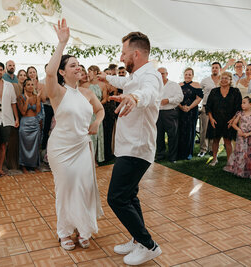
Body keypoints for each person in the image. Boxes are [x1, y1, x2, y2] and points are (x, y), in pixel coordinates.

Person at [98, 30, 163, 266]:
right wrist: (106, 79)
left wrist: (135, 99)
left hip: (137, 148)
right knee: (130, 195)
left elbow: (148, 93)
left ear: (136, 53)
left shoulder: (151, 76)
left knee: (116, 198)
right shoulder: (136, 75)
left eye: (124, 52)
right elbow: (125, 82)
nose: (121, 56)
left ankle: (149, 245)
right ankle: (138, 239)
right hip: (129, 147)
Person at [45, 19, 104, 251]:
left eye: (79, 65)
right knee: (66, 187)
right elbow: (49, 73)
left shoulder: (88, 93)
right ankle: (64, 231)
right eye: (72, 65)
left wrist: (97, 122)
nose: (78, 68)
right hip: (61, 148)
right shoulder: (57, 92)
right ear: (62, 71)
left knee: (83, 187)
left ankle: (82, 228)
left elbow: (99, 111)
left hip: (82, 147)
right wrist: (62, 43)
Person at [206, 72, 242, 166]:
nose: (224, 80)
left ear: (230, 80)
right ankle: (214, 159)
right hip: (215, 120)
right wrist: (211, 119)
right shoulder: (214, 91)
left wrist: (234, 119)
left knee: (228, 141)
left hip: (229, 121)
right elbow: (208, 106)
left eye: (226, 78)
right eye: (222, 78)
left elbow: (239, 107)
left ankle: (229, 161)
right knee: (215, 140)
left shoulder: (235, 91)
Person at [224, 95, 251, 178]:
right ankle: (240, 170)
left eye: (244, 103)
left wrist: (249, 134)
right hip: (241, 137)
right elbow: (234, 124)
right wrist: (239, 130)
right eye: (242, 103)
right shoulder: (240, 113)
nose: (242, 104)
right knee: (241, 152)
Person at [155, 67, 183, 162]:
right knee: (158, 135)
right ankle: (159, 155)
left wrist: (168, 100)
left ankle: (172, 157)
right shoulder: (153, 85)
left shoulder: (174, 85)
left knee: (173, 136)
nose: (161, 75)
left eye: (163, 73)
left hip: (170, 112)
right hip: (157, 113)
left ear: (167, 74)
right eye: (159, 74)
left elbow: (180, 97)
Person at [178, 68, 203, 160]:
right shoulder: (179, 85)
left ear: (192, 75)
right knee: (181, 130)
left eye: (189, 74)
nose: (187, 76)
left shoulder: (197, 85)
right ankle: (180, 152)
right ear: (183, 75)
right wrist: (181, 107)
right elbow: (175, 97)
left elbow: (199, 98)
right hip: (180, 110)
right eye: (186, 74)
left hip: (192, 111)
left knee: (190, 130)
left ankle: (189, 153)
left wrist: (189, 107)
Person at [17, 78, 42, 173]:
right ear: (24, 87)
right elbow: (23, 112)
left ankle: (34, 165)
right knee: (24, 145)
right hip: (25, 123)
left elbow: (38, 111)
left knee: (35, 145)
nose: (31, 86)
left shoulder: (36, 96)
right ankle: (23, 165)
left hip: (34, 123)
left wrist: (38, 98)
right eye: (28, 85)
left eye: (32, 84)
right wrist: (27, 100)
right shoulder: (20, 97)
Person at [198, 62, 221, 157]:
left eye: (216, 67)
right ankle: (203, 149)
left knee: (215, 129)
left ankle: (212, 149)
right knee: (204, 129)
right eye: (213, 68)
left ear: (220, 69)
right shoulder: (205, 80)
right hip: (206, 107)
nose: (214, 69)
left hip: (219, 109)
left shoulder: (222, 80)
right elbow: (199, 92)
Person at [6, 69, 27, 170]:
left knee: (23, 140)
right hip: (16, 114)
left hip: (27, 117)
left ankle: (24, 162)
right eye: (21, 75)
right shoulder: (14, 86)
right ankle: (12, 163)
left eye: (24, 75)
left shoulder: (29, 87)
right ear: (17, 77)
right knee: (13, 140)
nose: (23, 77)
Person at [87, 65, 107, 163]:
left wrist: (97, 105)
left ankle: (98, 158)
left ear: (95, 72)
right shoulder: (85, 85)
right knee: (90, 136)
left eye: (89, 71)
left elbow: (105, 99)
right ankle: (90, 159)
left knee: (99, 136)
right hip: (89, 114)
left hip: (98, 113)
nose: (88, 74)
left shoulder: (102, 85)